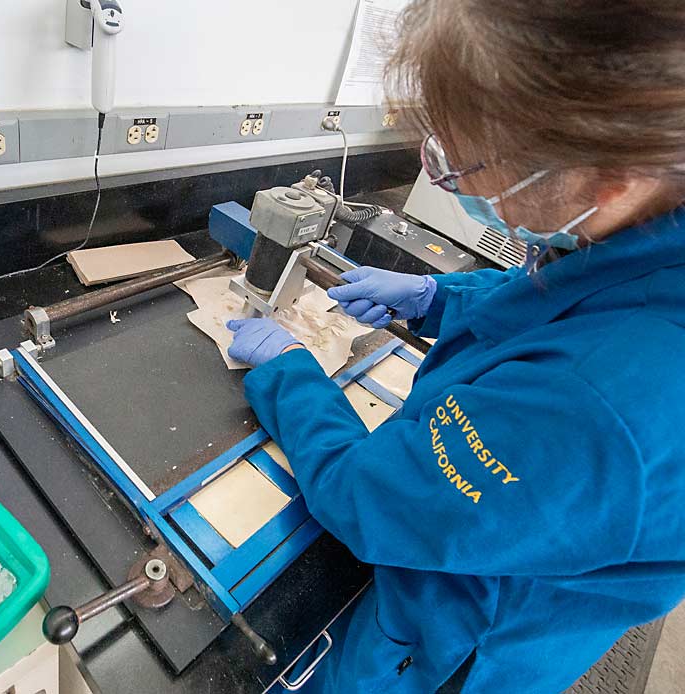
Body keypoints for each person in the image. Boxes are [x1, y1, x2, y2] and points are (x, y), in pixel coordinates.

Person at [227, 1, 685, 692]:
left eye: (465, 160)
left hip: (462, 638)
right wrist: (441, 298)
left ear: (606, 180)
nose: (452, 178)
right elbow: (570, 297)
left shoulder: (601, 408)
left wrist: (293, 372)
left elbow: (372, 496)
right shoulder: (647, 225)